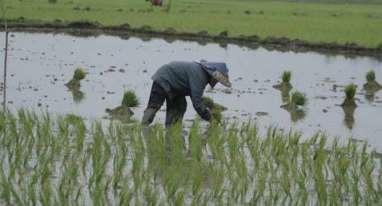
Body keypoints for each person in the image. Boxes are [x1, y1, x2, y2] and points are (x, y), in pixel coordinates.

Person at [141, 61, 231, 127]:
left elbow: (196, 98)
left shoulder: (201, 73)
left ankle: (172, 129)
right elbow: (197, 103)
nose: (216, 82)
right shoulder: (199, 76)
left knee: (180, 106)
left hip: (176, 87)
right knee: (154, 105)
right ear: (213, 75)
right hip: (163, 78)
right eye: (217, 80)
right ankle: (143, 127)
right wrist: (211, 119)